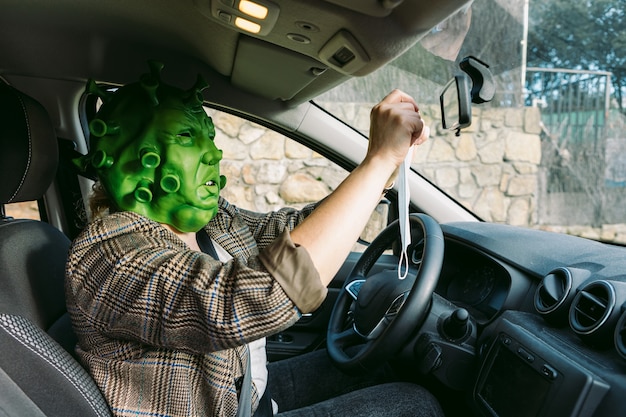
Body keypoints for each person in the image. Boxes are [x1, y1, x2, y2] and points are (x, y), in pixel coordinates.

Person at [65, 62, 442, 417]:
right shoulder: (108, 255)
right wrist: (375, 162)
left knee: (380, 363)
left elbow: (287, 232)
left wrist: (383, 171)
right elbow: (255, 295)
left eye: (208, 136)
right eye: (186, 135)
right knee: (413, 404)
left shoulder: (211, 220)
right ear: (133, 161)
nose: (213, 152)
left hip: (247, 392)